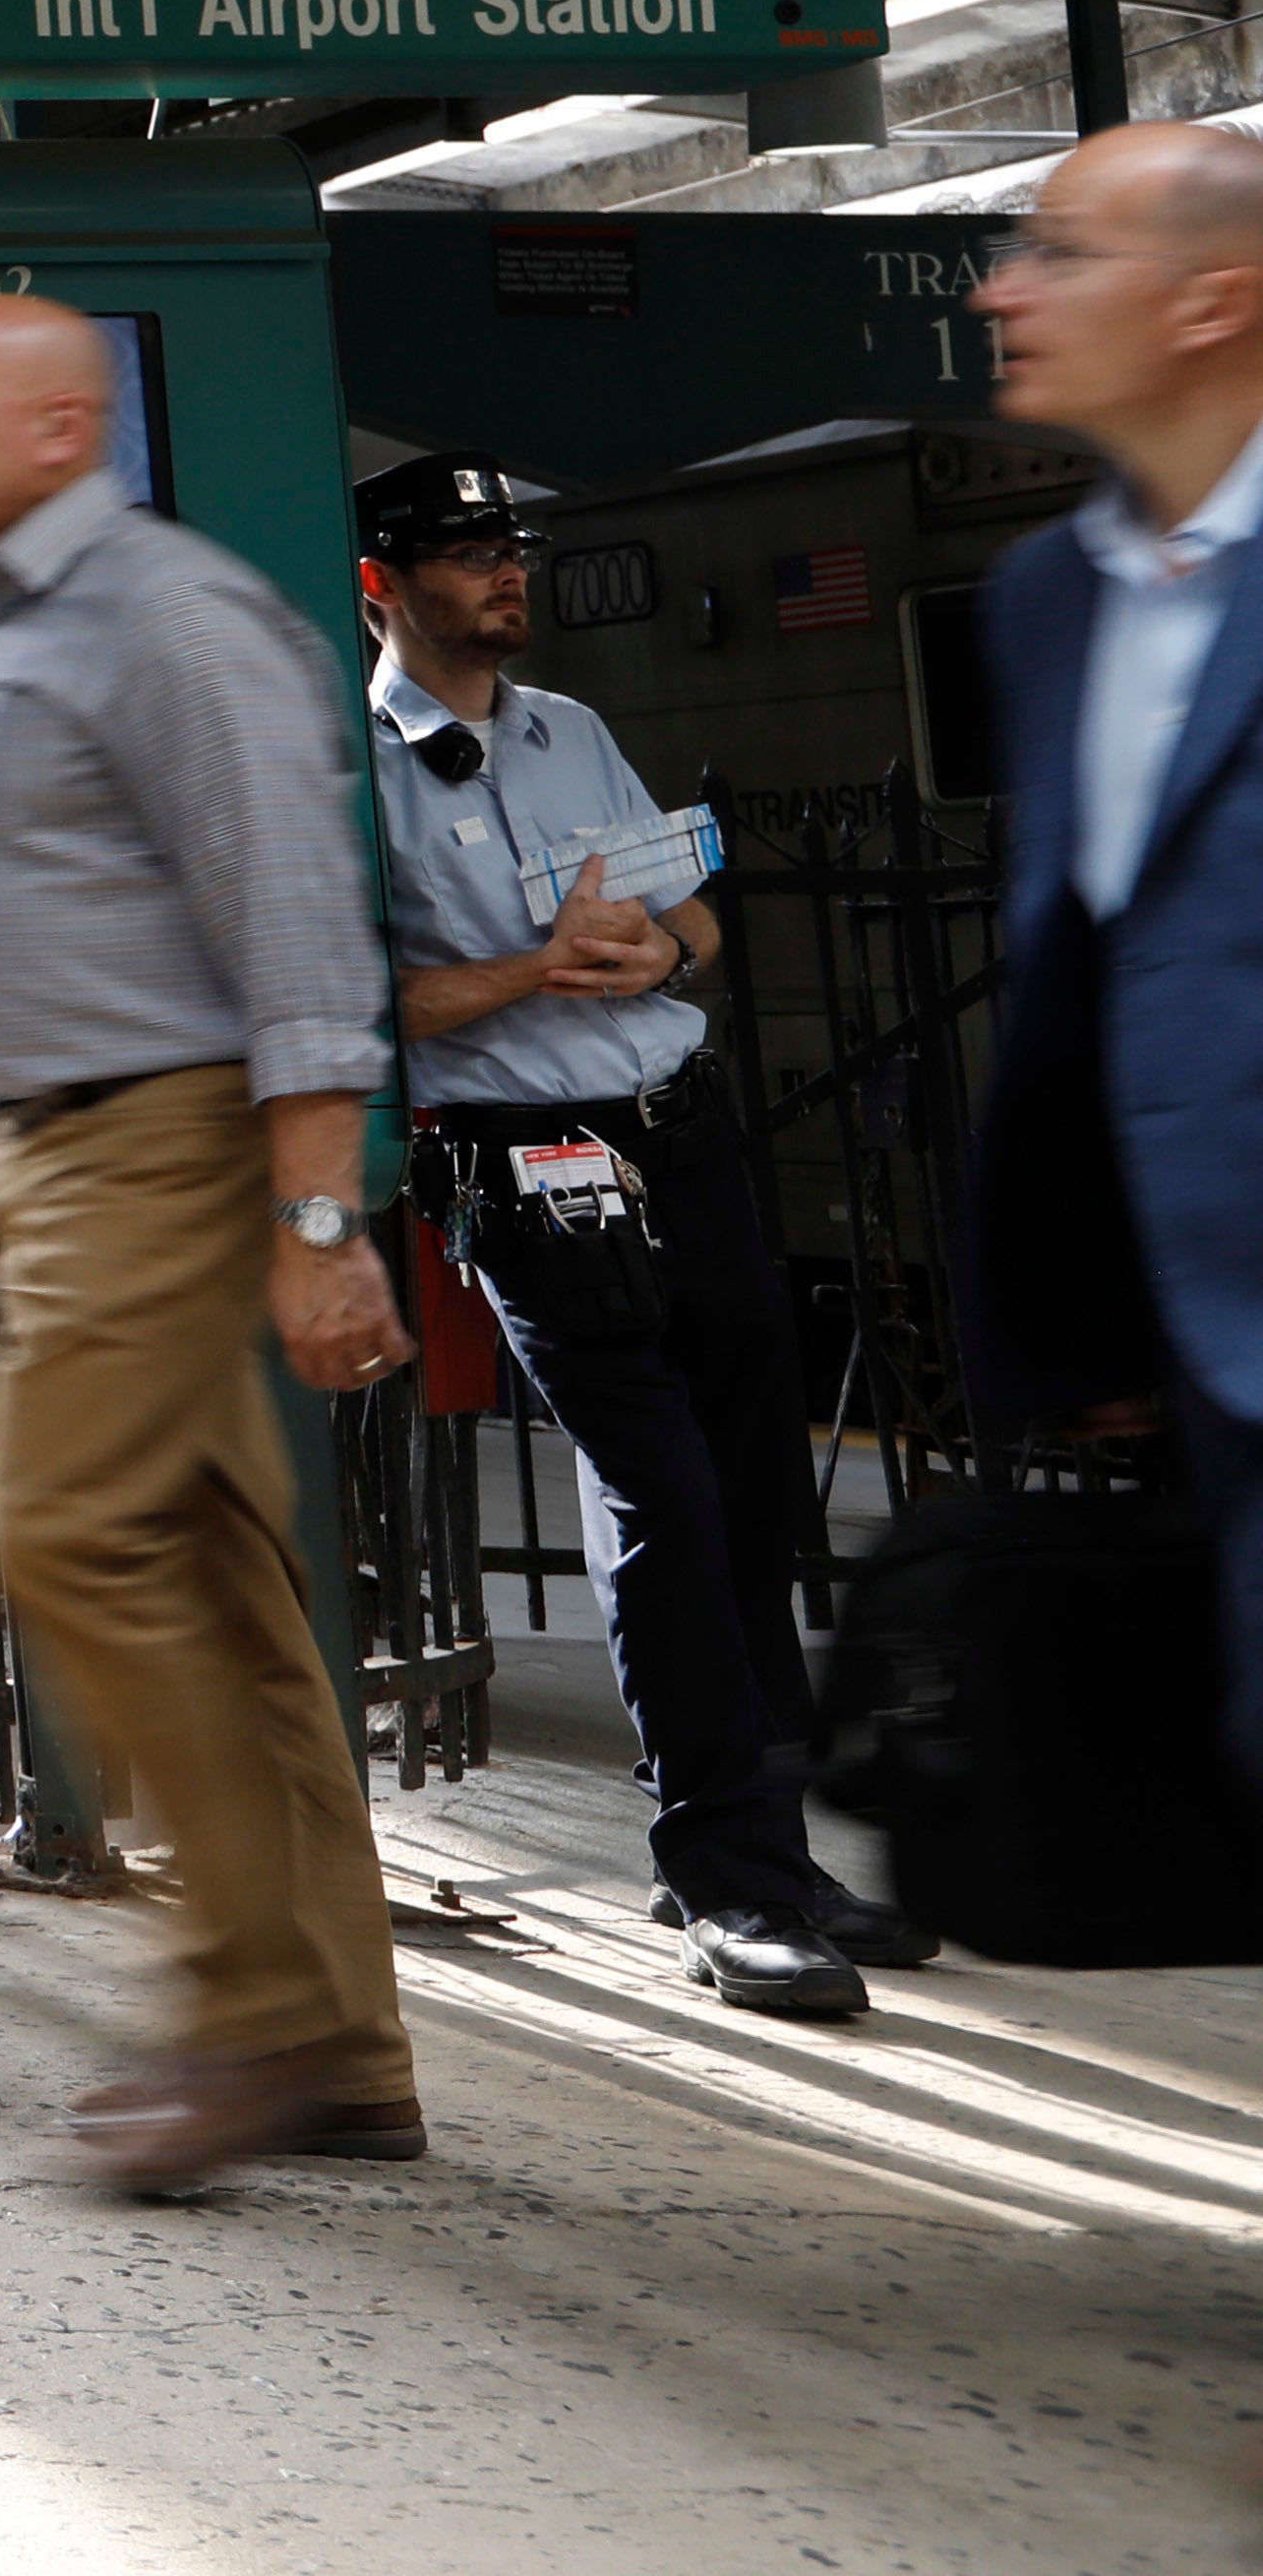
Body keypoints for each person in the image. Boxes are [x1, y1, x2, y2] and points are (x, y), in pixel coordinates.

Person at [0, 292, 417, 2192]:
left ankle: (253, 2016)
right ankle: (348, 2042)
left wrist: (320, 1221)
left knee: (63, 1529)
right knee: (224, 1602)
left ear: (63, 427)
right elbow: (90, 877)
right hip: (65, 1154)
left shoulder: (163, 613)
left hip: (154, 1148)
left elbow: (298, 933)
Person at [353, 454, 922, 2012]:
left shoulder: (575, 729)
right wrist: (536, 972)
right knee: (661, 1494)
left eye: (508, 548)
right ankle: (719, 1878)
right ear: (383, 584)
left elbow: (702, 916)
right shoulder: (355, 771)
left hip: (682, 1131)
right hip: (528, 1162)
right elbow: (358, 1009)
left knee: (748, 1497)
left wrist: (653, 949)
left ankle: (780, 1855)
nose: (503, 573)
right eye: (466, 553)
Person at [966, 120, 1263, 1808]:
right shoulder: (1042, 601)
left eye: (1064, 252)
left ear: (1213, 303)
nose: (1007, 288)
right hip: (1209, 1357)